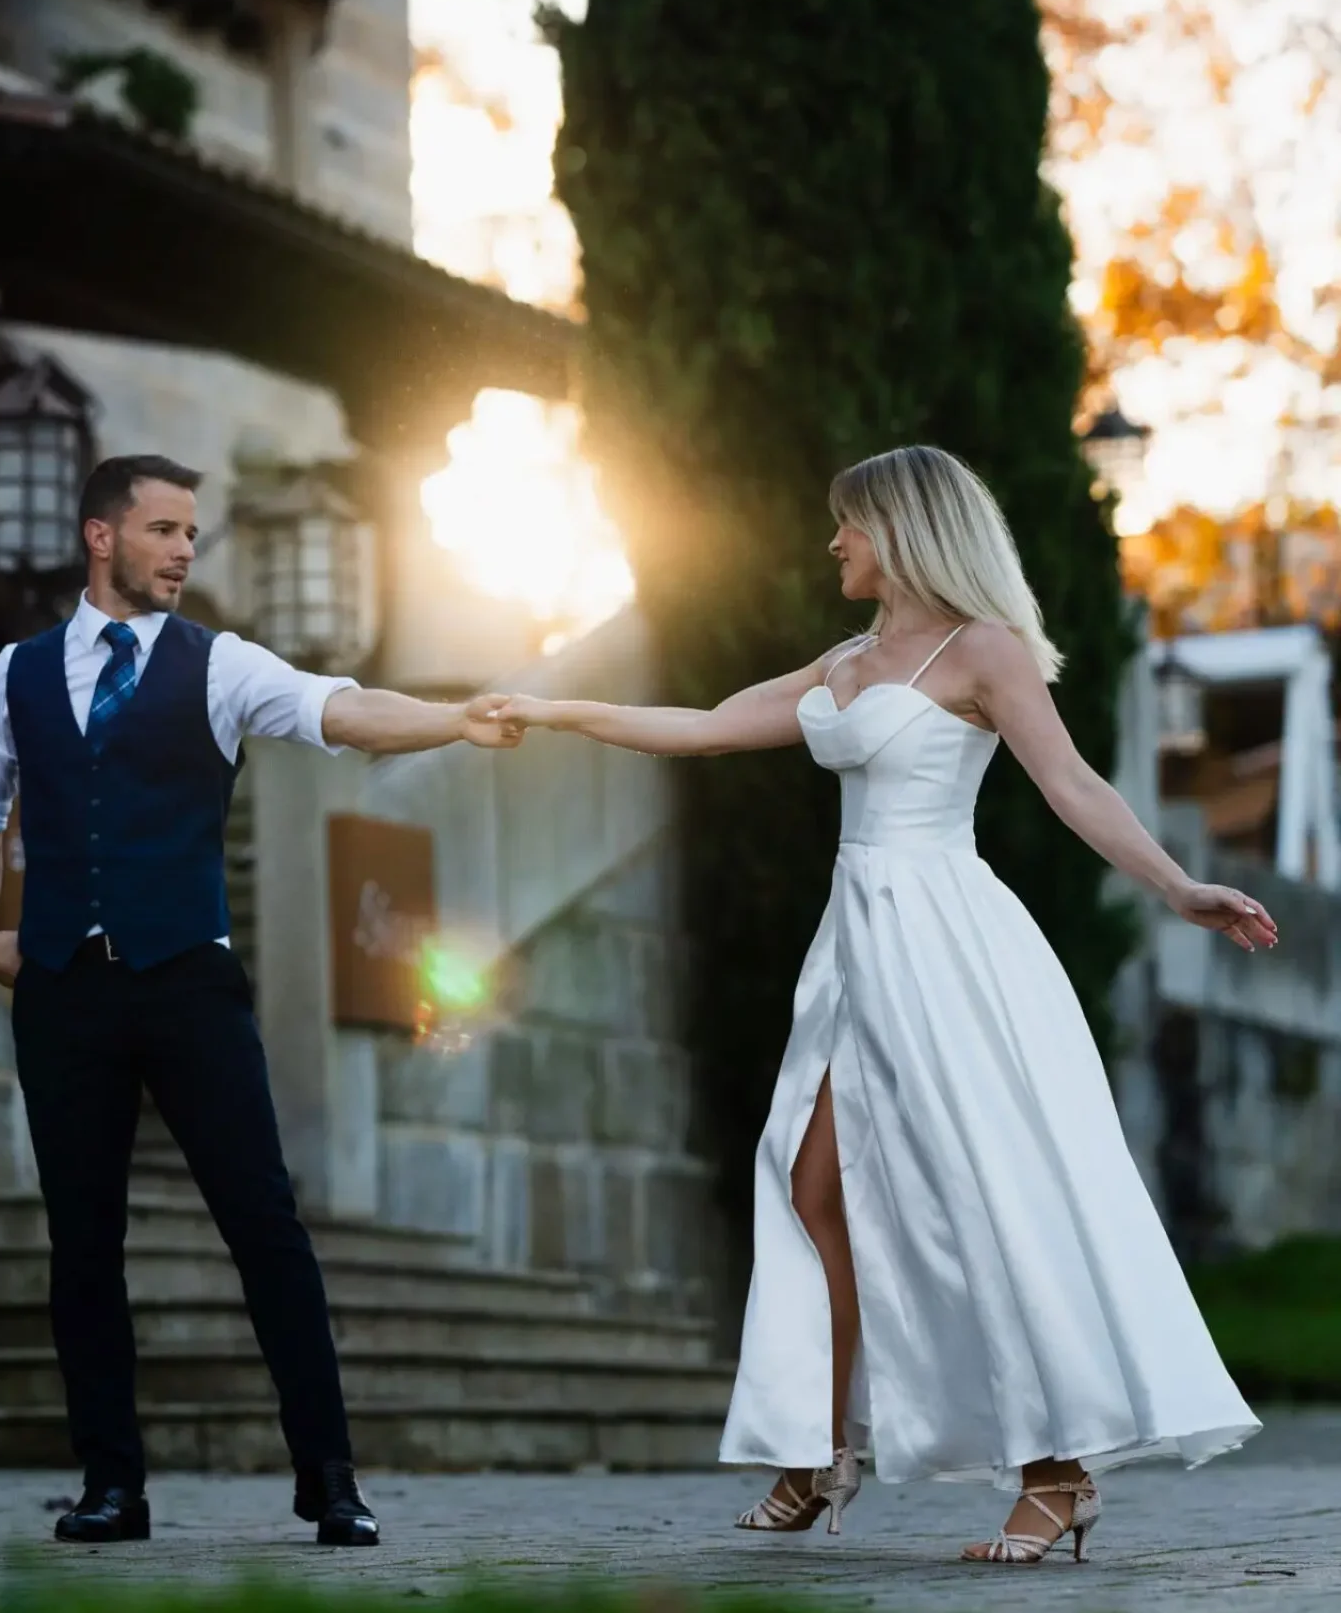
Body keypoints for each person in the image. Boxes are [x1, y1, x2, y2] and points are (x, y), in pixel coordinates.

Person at [488, 445, 1270, 1565]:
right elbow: (705, 724)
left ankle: (1057, 1475)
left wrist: (1177, 885)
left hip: (948, 944)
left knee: (972, 1193)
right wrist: (553, 709)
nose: (833, 544)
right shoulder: (846, 660)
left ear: (900, 530)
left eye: (847, 525)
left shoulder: (984, 652)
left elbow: (1073, 784)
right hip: (856, 949)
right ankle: (821, 1448)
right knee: (812, 1191)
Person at [0, 453, 522, 1547]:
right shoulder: (15, 673)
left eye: (191, 534)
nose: (183, 551)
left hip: (189, 985)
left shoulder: (221, 666)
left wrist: (453, 720)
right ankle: (112, 1486)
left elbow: (341, 710)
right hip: (66, 987)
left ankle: (332, 1481)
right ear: (100, 537)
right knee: (82, 1241)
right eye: (162, 530)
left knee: (265, 1226)